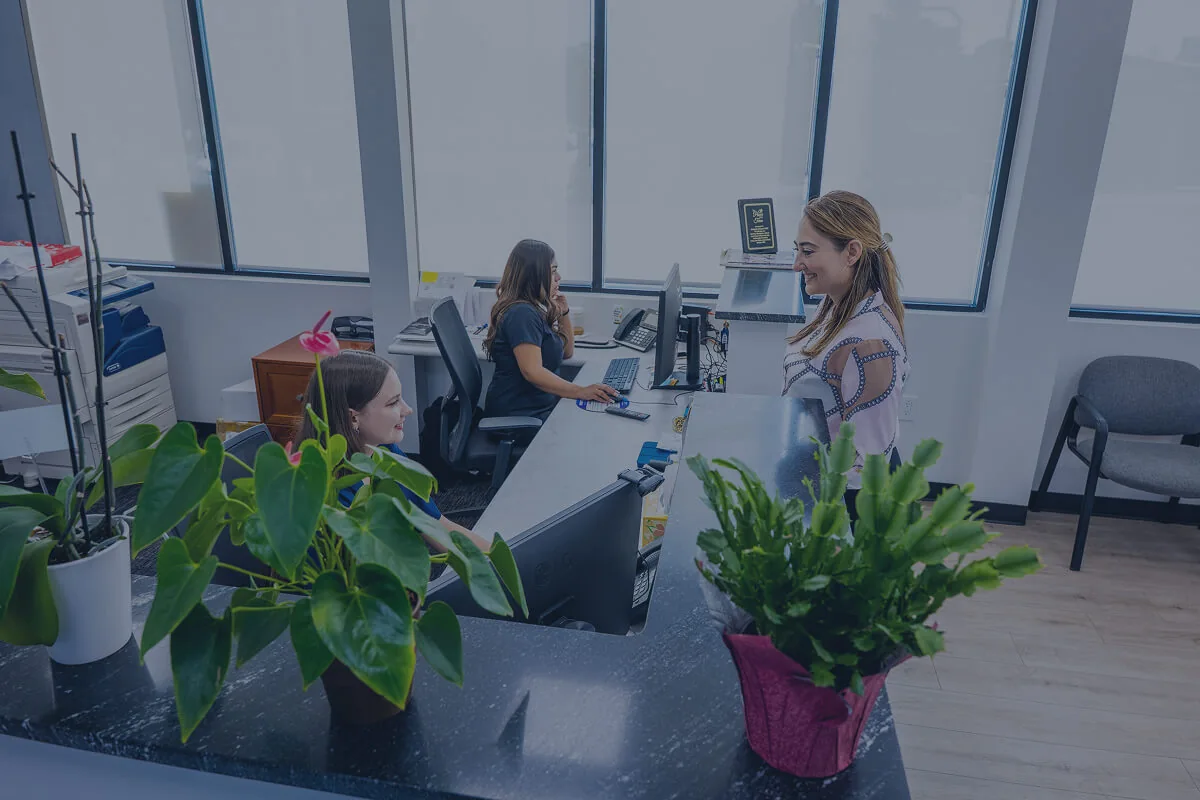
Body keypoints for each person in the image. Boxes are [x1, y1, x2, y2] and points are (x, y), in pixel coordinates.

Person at [295, 349, 492, 553]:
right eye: (393, 403)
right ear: (353, 417)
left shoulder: (384, 452)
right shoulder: (327, 496)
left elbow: (436, 526)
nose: (407, 410)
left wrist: (507, 559)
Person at [782, 190, 909, 487]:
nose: (797, 264)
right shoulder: (835, 306)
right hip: (813, 469)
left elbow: (863, 471)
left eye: (808, 251)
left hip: (839, 502)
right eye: (797, 250)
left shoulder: (870, 346)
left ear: (851, 252)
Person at [482, 239, 619, 420]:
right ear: (534, 275)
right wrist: (581, 391)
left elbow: (567, 352)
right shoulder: (521, 314)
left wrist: (563, 313)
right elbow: (532, 371)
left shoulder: (532, 308)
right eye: (553, 271)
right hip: (520, 417)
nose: (558, 277)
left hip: (537, 408)